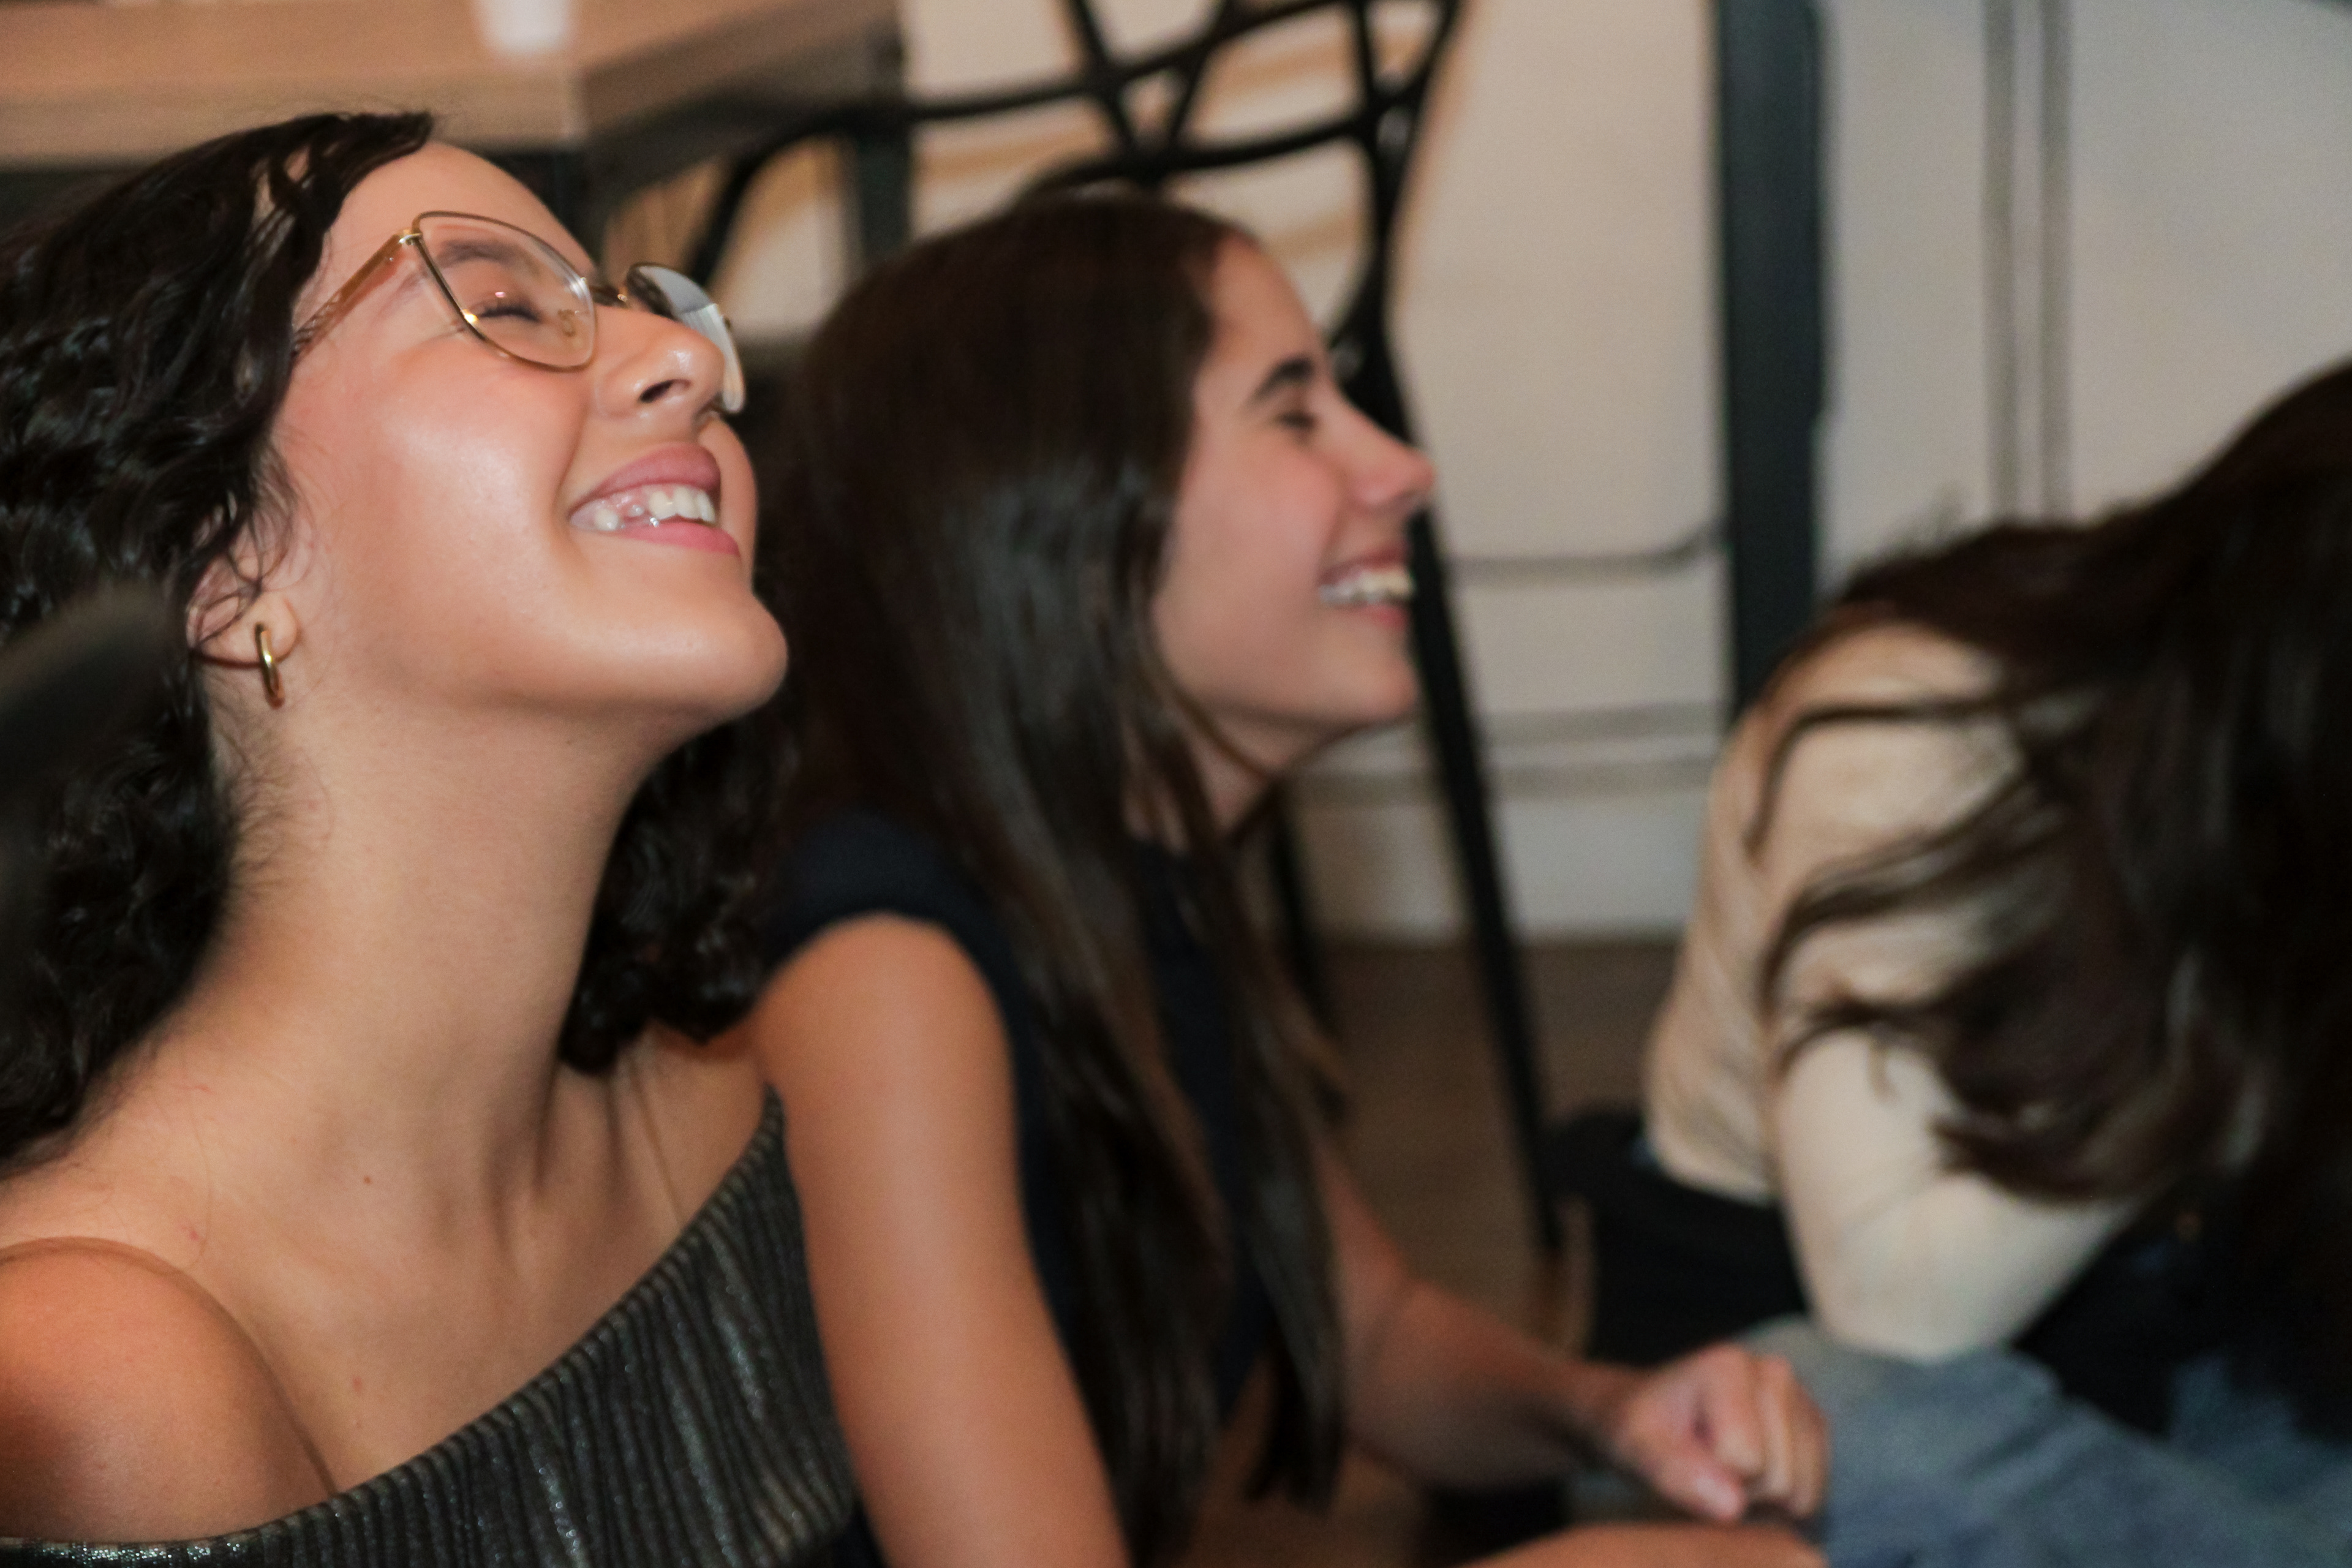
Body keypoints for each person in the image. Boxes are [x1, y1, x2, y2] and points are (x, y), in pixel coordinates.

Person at [742, 194, 1827, 1568]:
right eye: (1295, 411)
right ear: (1076, 533)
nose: (1404, 468)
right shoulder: (886, 971)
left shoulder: (1134, 888)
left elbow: (1375, 1332)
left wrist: (1614, 1412)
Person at [0, 113, 852, 1560]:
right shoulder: (112, 1369)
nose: (695, 363)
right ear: (226, 568)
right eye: (504, 305)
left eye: (644, 307)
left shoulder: (693, 1101)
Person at [1619, 358, 2352, 1562]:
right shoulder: (1914, 724)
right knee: (1849, 1443)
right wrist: (2231, 977)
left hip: (2173, 1345)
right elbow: (1896, 1300)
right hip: (1824, 1346)